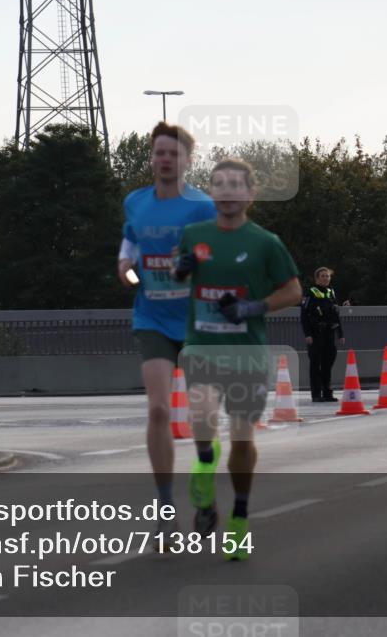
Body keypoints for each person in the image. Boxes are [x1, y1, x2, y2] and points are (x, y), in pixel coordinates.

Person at [172, 157, 301, 560]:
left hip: (247, 353)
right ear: (211, 192)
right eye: (219, 184)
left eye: (235, 185)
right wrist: (180, 268)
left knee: (243, 439)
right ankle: (204, 464)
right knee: (202, 415)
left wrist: (252, 308)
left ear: (250, 193)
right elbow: (177, 273)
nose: (227, 191)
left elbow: (294, 291)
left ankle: (239, 517)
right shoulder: (194, 234)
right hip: (202, 346)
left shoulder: (266, 242)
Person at [117, 122, 216, 538]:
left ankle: (205, 484)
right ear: (151, 158)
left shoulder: (202, 206)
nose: (165, 159)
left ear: (187, 161)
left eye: (173, 153)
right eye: (159, 152)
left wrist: (195, 261)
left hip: (196, 321)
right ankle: (165, 508)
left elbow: (217, 255)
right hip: (152, 318)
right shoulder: (136, 202)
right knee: (158, 409)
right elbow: (128, 249)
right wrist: (127, 270)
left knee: (202, 417)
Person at [301, 267, 345, 402]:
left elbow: (336, 315)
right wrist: (308, 334)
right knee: (316, 364)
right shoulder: (311, 293)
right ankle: (316, 394)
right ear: (317, 279)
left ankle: (327, 393)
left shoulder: (331, 292)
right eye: (323, 276)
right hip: (316, 334)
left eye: (328, 276)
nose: (326, 278)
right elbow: (304, 316)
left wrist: (340, 334)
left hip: (329, 333)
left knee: (328, 364)